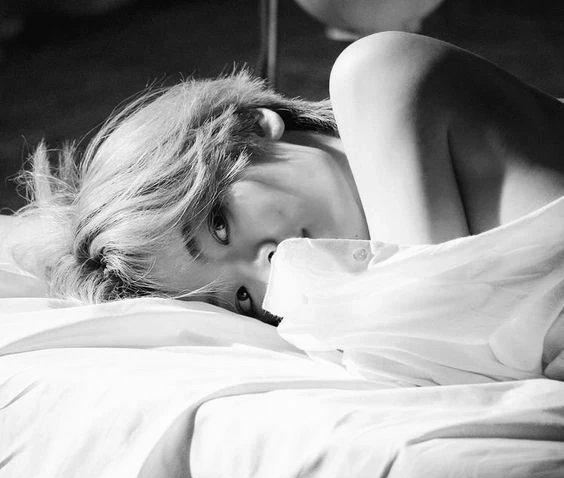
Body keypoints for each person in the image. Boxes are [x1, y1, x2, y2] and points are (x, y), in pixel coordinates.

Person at [6, 32, 564, 335]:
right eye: (243, 299)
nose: (271, 272)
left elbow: (434, 330)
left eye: (219, 227)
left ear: (253, 129)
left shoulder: (378, 75)